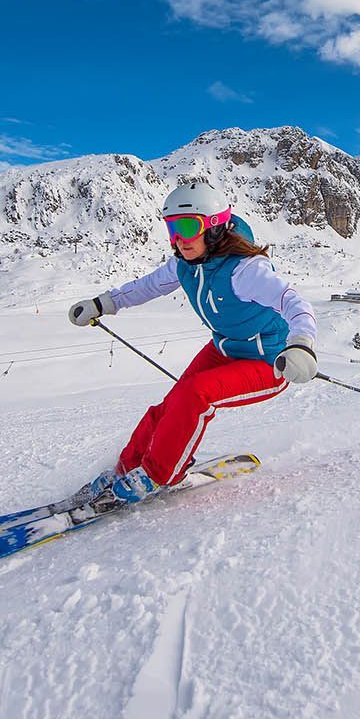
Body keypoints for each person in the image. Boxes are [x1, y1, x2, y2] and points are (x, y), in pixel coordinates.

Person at [66, 181, 317, 506]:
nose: (179, 239)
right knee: (170, 405)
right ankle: (126, 467)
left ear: (213, 228)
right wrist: (102, 304)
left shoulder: (245, 270)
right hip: (224, 349)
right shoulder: (184, 265)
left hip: (270, 360)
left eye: (187, 227)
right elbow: (147, 287)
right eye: (172, 228)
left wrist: (302, 345)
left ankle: (158, 474)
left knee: (195, 394)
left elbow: (293, 302)